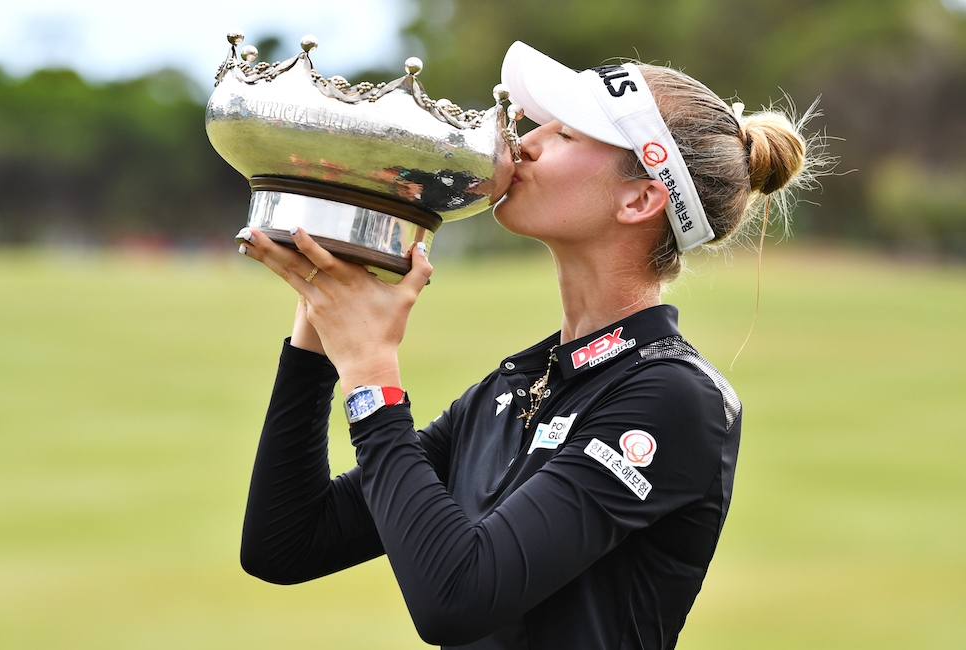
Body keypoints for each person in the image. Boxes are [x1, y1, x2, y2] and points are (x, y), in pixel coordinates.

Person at [234, 41, 812, 650]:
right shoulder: (517, 384)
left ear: (640, 199)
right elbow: (287, 542)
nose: (524, 144)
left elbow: (457, 598)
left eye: (566, 135)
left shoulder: (674, 397)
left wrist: (371, 372)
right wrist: (320, 311)